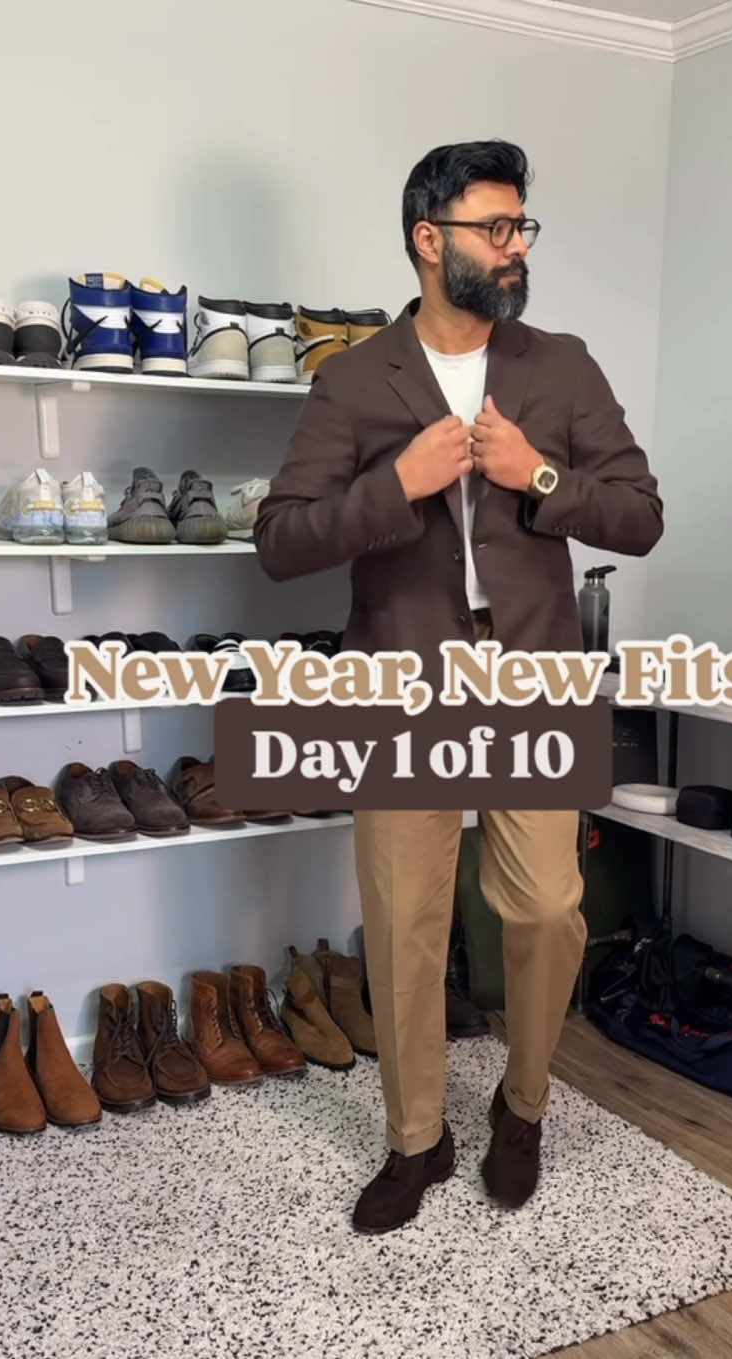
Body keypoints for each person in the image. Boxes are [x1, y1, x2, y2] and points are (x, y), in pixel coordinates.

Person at [254, 139, 663, 1233]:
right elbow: (280, 541)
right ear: (429, 241)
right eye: (495, 228)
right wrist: (397, 482)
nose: (516, 246)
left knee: (545, 904)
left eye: (522, 226)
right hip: (399, 681)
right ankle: (415, 1139)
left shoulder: (561, 365)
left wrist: (535, 473)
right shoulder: (352, 377)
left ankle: (521, 1106)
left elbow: (638, 516)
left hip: (531, 674)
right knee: (403, 918)